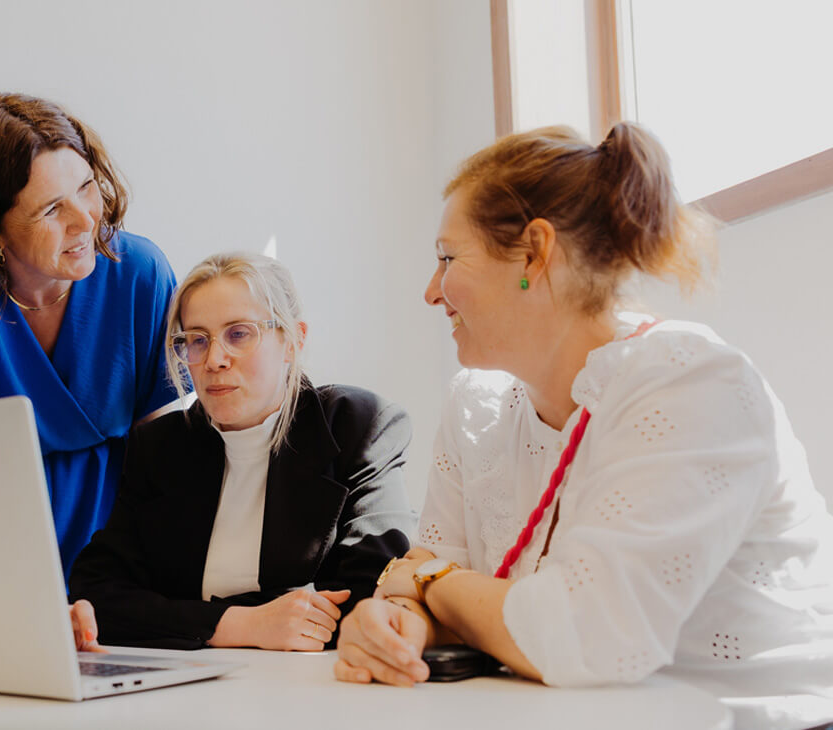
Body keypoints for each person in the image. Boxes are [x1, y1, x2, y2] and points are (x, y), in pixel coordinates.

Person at [333, 124, 833, 730]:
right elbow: (425, 583)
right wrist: (395, 621)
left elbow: (586, 638)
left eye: (446, 258)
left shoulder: (690, 382)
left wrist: (428, 580)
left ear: (534, 253)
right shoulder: (476, 403)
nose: (431, 291)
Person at [68, 253, 414, 651]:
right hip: (190, 684)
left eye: (239, 334)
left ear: (293, 340)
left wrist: (172, 613)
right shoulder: (160, 447)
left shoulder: (359, 425)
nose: (214, 360)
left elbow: (375, 587)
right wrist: (240, 625)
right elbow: (97, 593)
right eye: (197, 340)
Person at [0, 93, 180, 579]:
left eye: (87, 188)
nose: (85, 220)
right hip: (9, 562)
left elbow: (165, 464)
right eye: (52, 209)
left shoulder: (139, 272)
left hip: (132, 565)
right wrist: (31, 593)